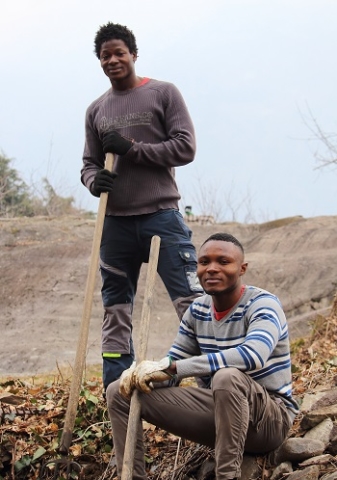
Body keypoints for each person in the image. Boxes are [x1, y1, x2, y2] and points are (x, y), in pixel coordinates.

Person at [106, 232, 299, 480]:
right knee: (118, 392)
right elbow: (172, 370)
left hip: (268, 422)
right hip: (221, 415)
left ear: (242, 269)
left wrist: (173, 367)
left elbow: (253, 355)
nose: (212, 269)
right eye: (204, 262)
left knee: (227, 377)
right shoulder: (197, 311)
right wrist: (145, 373)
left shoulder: (263, 304)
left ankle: (227, 476)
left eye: (223, 262)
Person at [80, 22, 203, 391]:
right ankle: (116, 393)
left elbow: (185, 147)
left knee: (190, 300)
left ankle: (214, 384)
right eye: (105, 56)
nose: (113, 60)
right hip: (115, 223)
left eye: (119, 53)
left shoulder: (163, 93)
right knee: (115, 310)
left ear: (134, 54)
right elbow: (89, 163)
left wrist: (132, 149)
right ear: (99, 62)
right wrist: (92, 181)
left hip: (161, 215)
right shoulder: (96, 110)